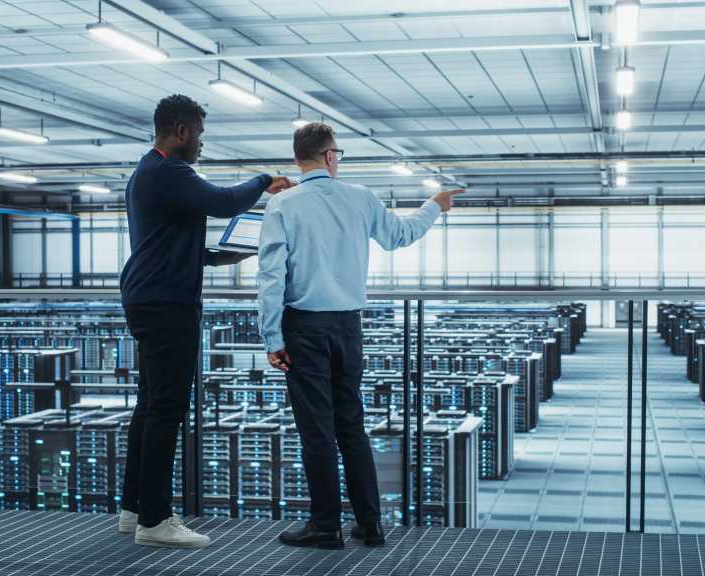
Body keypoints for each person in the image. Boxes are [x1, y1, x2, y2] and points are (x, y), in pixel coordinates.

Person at [257, 122, 463, 549]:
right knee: (351, 426)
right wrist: (434, 206)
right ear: (330, 156)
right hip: (349, 327)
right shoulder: (361, 197)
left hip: (303, 327)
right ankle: (369, 525)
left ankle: (325, 525)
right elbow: (399, 236)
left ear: (299, 159)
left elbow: (271, 276)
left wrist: (272, 337)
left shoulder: (282, 207)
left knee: (317, 432)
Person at [117, 94, 292, 549]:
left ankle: (133, 507)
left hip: (148, 297)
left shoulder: (145, 172)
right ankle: (155, 520)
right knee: (167, 410)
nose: (201, 144)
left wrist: (217, 257)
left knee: (150, 406)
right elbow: (223, 201)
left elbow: (166, 240)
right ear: (180, 130)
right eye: (199, 134)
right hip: (168, 304)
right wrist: (264, 180)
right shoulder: (170, 170)